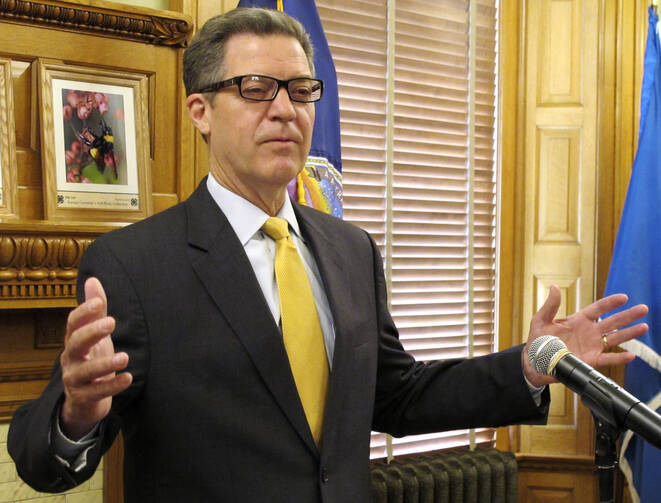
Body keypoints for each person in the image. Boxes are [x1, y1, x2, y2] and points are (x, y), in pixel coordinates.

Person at [8, 7, 648, 503]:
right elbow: (40, 462)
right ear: (200, 110)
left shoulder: (350, 249)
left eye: (301, 89)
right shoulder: (132, 265)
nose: (285, 109)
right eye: (256, 87)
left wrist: (531, 369)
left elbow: (398, 396)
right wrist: (74, 414)